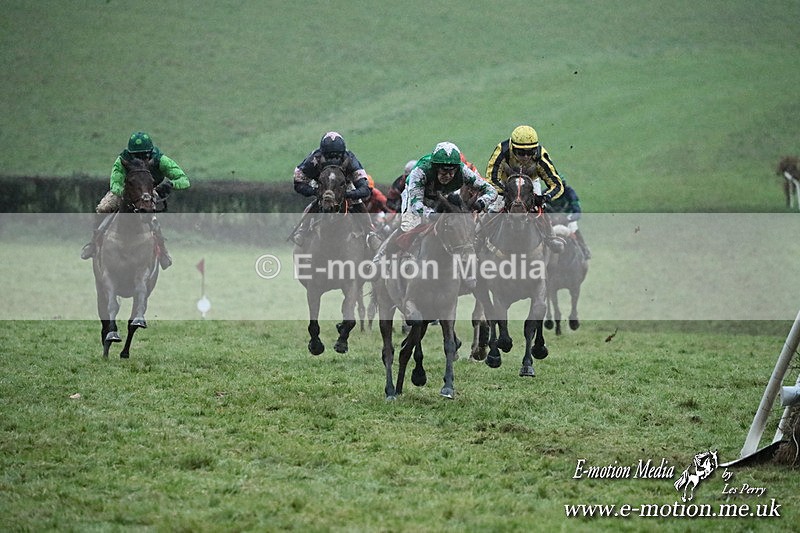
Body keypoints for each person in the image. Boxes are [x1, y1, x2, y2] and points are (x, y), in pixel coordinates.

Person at [80, 131, 190, 269]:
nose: (140, 159)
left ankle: (163, 252)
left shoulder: (161, 160)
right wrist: (125, 194)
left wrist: (170, 184)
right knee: (103, 208)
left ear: (150, 153)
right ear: (130, 154)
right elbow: (115, 183)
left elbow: (184, 180)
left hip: (150, 192)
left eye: (144, 155)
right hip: (126, 191)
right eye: (136, 156)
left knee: (152, 219)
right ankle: (93, 243)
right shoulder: (122, 160)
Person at [372, 141, 496, 261]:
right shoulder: (420, 172)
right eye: (443, 170)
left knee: (459, 222)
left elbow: (491, 191)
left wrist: (481, 203)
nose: (447, 175)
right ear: (435, 167)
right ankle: (381, 255)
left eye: (451, 171)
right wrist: (431, 215)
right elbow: (416, 205)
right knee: (409, 223)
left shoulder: (464, 171)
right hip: (416, 197)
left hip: (442, 196)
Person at [485, 125, 565, 253]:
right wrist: (505, 192)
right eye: (521, 152)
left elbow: (556, 184)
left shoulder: (541, 156)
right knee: (494, 206)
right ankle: (478, 236)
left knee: (540, 208)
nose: (526, 156)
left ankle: (550, 237)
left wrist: (545, 197)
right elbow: (491, 178)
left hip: (530, 182)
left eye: (530, 152)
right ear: (512, 147)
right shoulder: (502, 151)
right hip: (505, 182)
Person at [290, 131, 377, 248]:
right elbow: (298, 181)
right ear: (322, 153)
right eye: (329, 156)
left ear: (342, 154)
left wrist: (348, 194)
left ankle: (370, 233)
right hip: (323, 184)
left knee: (358, 202)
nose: (333, 160)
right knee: (315, 204)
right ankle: (302, 230)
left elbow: (365, 188)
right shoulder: (313, 159)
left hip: (344, 185)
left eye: (337, 156)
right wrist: (315, 191)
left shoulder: (350, 159)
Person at [544, 179, 591, 259]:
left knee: (573, 227)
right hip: (551, 220)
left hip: (567, 219)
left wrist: (568, 219)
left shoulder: (570, 193)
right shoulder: (545, 194)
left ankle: (583, 249)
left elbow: (577, 212)